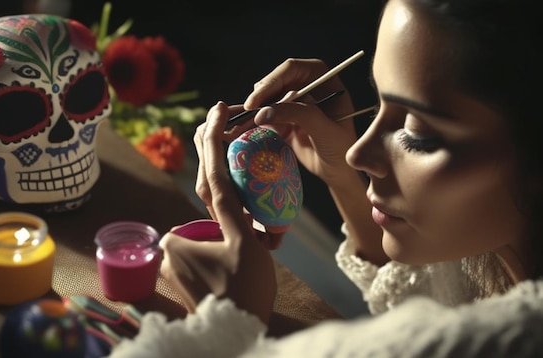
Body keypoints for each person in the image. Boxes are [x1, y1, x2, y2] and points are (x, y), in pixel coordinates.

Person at [107, 0, 543, 356]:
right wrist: (342, 180)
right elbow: (421, 298)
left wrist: (230, 328)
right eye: (378, 104)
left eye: (419, 132)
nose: (356, 152)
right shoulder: (489, 251)